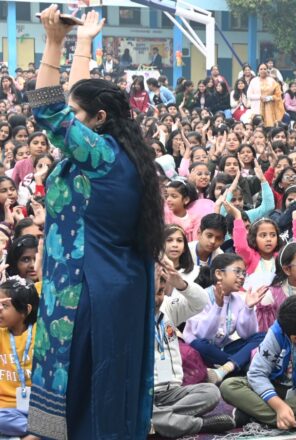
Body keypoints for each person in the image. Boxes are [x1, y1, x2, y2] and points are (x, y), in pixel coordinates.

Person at [28, 7, 165, 438]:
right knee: (103, 387)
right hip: (112, 283)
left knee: (82, 386)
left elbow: (50, 112)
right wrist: (83, 42)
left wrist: (53, 42)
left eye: (78, 114)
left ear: (99, 119)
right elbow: (75, 101)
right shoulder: (116, 155)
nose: (71, 120)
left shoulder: (101, 157)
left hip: (87, 288)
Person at [221, 296, 296, 434]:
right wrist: (279, 406)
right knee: (229, 386)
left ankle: (255, 416)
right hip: (274, 388)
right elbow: (257, 373)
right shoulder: (277, 333)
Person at [151, 260, 236, 437]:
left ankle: (159, 422)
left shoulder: (168, 306)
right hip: (146, 395)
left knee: (211, 392)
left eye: (160, 292)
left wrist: (180, 283)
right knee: (133, 409)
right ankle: (198, 424)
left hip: (174, 393)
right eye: (152, 292)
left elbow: (201, 302)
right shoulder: (130, 316)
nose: (157, 298)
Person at [183, 253, 264, 385]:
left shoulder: (238, 299)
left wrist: (249, 308)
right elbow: (203, 335)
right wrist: (218, 306)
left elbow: (247, 335)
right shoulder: (201, 296)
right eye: (237, 271)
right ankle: (241, 367)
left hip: (222, 350)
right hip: (202, 350)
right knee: (198, 344)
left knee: (262, 336)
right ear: (219, 274)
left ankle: (225, 369)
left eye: (244, 273)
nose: (242, 277)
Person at [0, 278, 38, 438]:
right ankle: (40, 432)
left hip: (37, 407)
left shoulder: (40, 333)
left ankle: (40, 431)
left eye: (5, 305)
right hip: (6, 409)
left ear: (26, 309)